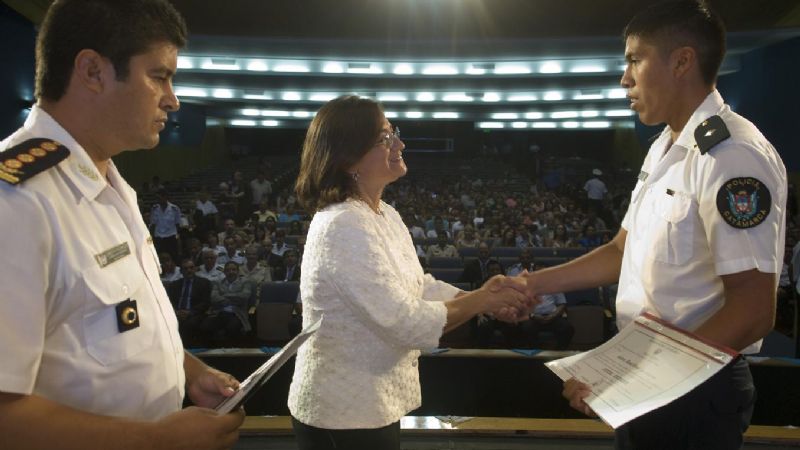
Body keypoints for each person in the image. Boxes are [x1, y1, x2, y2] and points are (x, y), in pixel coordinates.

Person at [526, 2, 787, 449]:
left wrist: (639, 381)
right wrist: (530, 285)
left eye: (635, 60)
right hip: (654, 378)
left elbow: (752, 310)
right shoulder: (665, 145)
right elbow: (620, 250)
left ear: (682, 61)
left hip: (695, 391)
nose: (624, 78)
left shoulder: (731, 155)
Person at [0, 0, 244, 448]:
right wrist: (156, 441)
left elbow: (114, 324)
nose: (172, 99)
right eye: (159, 76)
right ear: (93, 72)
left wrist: (189, 370)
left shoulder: (111, 184)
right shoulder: (17, 202)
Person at [289, 95, 533, 450]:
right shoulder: (342, 224)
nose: (399, 145)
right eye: (384, 138)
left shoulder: (384, 214)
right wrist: (482, 301)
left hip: (373, 404)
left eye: (395, 133)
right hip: (341, 413)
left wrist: (483, 299)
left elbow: (417, 286)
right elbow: (403, 320)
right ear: (348, 157)